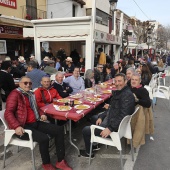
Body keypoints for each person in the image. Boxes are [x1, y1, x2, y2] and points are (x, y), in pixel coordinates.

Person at [4, 76, 72, 170]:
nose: (28, 85)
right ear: (20, 84)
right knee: (44, 138)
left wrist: (41, 114)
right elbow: (8, 112)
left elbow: (35, 108)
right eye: (25, 83)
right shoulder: (15, 94)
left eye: (30, 83)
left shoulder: (30, 94)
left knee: (59, 129)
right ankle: (46, 164)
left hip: (35, 122)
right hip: (23, 126)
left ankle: (60, 161)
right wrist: (16, 126)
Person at [80, 73, 135, 157]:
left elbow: (123, 115)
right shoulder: (121, 92)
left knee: (85, 130)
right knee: (95, 118)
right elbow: (112, 108)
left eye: (119, 81)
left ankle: (88, 152)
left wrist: (110, 128)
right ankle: (96, 142)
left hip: (114, 128)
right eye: (115, 81)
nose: (117, 83)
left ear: (125, 81)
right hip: (113, 120)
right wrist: (102, 116)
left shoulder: (126, 95)